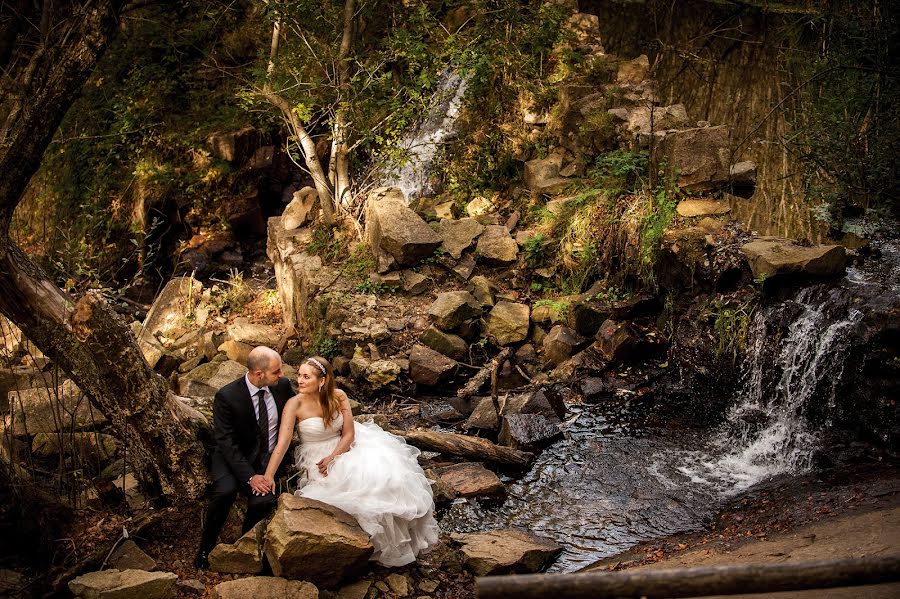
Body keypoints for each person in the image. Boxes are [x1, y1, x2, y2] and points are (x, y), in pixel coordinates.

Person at [264, 356, 439, 567]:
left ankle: (392, 543)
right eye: (299, 375)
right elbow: (282, 443)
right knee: (343, 491)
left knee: (386, 477)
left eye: (306, 377)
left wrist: (333, 456)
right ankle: (357, 547)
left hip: (345, 446)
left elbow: (349, 434)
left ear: (322, 381)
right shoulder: (294, 404)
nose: (299, 381)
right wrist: (269, 475)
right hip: (315, 455)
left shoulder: (338, 396)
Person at [195, 346, 294, 569]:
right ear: (259, 374)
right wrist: (250, 477)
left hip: (265, 458)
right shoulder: (227, 396)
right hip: (232, 457)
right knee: (225, 491)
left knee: (263, 500)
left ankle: (244, 547)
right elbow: (226, 442)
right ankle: (205, 548)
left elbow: (300, 408)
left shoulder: (283, 387)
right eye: (276, 371)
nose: (282, 375)